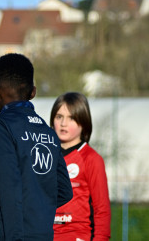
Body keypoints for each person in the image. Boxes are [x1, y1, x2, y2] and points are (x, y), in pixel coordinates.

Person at [0, 53, 73, 240]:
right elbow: (65, 190)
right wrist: (38, 208)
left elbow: (8, 186)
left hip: (13, 235)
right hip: (43, 233)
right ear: (33, 92)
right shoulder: (48, 132)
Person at [50, 92, 111, 241]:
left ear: (83, 123)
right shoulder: (44, 156)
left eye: (71, 118)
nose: (63, 123)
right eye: (59, 117)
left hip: (78, 236)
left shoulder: (91, 159)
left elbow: (101, 209)